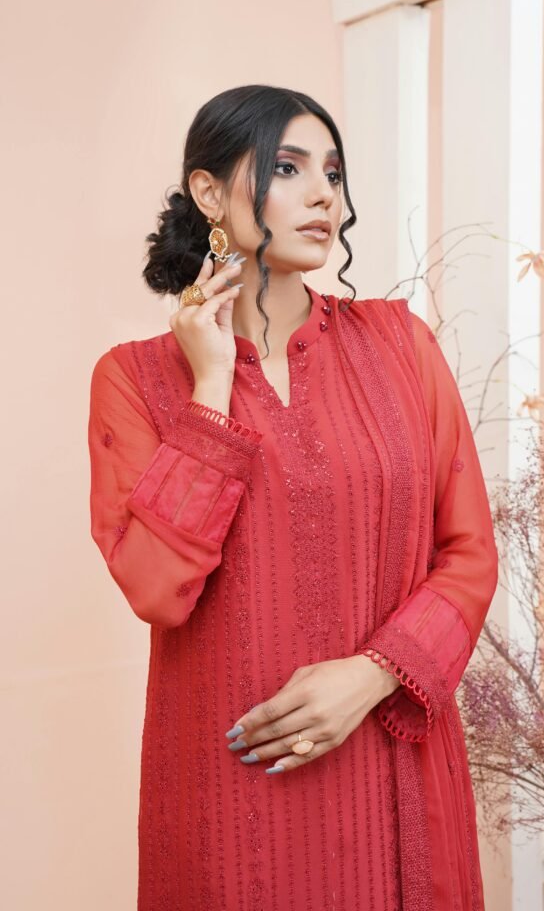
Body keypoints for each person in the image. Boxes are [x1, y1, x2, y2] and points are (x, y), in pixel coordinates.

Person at [87, 84, 499, 911]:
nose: (324, 196)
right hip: (234, 784)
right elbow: (155, 589)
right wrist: (209, 389)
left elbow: (467, 554)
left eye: (334, 173)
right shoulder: (132, 381)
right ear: (209, 193)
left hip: (392, 753)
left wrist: (376, 673)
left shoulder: (399, 345)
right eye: (286, 167)